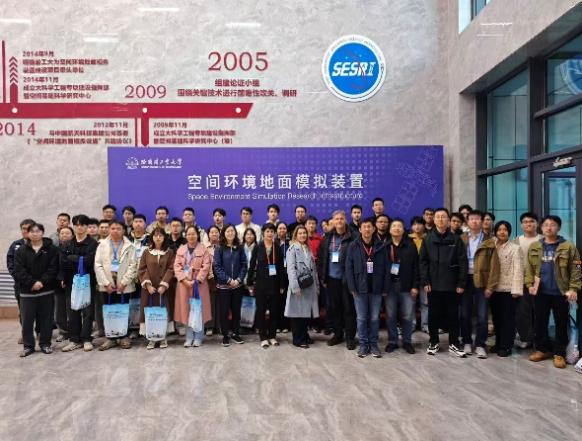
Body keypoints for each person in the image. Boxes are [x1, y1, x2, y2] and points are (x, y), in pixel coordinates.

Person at [526, 215, 581, 369]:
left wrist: (573, 288)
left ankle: (559, 353)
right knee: (540, 322)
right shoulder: (535, 246)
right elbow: (529, 267)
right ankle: (542, 349)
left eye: (553, 225)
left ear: (558, 227)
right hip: (540, 292)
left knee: (561, 323)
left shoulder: (568, 246)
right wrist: (529, 284)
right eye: (546, 225)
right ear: (541, 228)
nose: (549, 228)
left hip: (560, 292)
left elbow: (577, 267)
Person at [420, 208, 468, 357]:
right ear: (434, 220)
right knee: (433, 315)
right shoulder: (427, 239)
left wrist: (461, 283)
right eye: (438, 217)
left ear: (448, 221)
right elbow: (423, 262)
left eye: (443, 217)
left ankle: (454, 343)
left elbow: (463, 262)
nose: (441, 219)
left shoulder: (456, 239)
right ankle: (433, 342)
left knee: (453, 315)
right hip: (433, 285)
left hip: (452, 285)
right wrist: (425, 281)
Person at [346, 217, 391, 358]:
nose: (366, 229)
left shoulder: (381, 246)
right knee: (361, 318)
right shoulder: (353, 246)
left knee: (374, 318)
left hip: (377, 288)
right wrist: (352, 288)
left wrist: (385, 288)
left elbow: (387, 267)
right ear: (360, 229)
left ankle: (374, 344)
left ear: (373, 229)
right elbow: (349, 268)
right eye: (364, 226)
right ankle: (363, 345)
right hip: (360, 289)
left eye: (369, 227)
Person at [13, 222, 59, 357]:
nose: (35, 234)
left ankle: (45, 344)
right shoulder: (21, 250)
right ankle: (28, 346)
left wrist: (42, 282)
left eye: (38, 231)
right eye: (32, 231)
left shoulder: (51, 249)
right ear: (27, 234)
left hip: (46, 290)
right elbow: (19, 270)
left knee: (46, 319)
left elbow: (53, 268)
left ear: (42, 233)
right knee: (27, 320)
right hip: (27, 292)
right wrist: (32, 283)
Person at [460, 210, 500, 359]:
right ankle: (466, 342)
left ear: (482, 222)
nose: (475, 221)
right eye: (472, 219)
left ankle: (480, 344)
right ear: (467, 222)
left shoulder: (489, 241)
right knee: (465, 314)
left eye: (477, 219)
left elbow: (495, 265)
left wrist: (491, 286)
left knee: (482, 316)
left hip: (482, 281)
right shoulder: (462, 239)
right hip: (465, 280)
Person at [94, 220, 138, 351]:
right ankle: (111, 338)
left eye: (118, 228)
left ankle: (123, 336)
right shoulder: (102, 245)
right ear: (109, 230)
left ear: (124, 230)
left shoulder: (130, 246)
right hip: (107, 284)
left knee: (123, 310)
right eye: (113, 228)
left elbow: (133, 265)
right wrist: (106, 283)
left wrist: (124, 282)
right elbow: (98, 265)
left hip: (123, 284)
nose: (115, 231)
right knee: (109, 311)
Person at [59, 215, 99, 352]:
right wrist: (80, 259)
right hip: (71, 282)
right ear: (73, 226)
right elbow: (63, 262)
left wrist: (73, 258)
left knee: (88, 311)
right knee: (73, 311)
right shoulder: (67, 244)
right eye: (76, 225)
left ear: (87, 227)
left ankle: (86, 339)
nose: (79, 227)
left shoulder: (93, 244)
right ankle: (74, 339)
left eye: (82, 225)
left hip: (88, 281)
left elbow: (90, 261)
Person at [318, 210, 356, 350]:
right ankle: (338, 334)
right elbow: (322, 258)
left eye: (341, 218)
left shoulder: (353, 236)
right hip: (332, 279)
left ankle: (350, 337)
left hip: (347, 280)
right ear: (333, 221)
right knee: (335, 308)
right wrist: (323, 277)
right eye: (336, 219)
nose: (339, 221)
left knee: (349, 309)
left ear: (345, 220)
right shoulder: (327, 237)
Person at [248, 223, 285, 348]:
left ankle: (272, 336)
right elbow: (252, 265)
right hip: (261, 284)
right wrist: (249, 282)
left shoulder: (277, 247)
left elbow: (281, 268)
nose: (270, 234)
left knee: (274, 311)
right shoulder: (258, 247)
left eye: (272, 231)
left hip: (274, 284)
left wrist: (282, 285)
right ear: (263, 233)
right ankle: (263, 337)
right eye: (267, 231)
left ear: (274, 234)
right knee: (261, 311)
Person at [386, 219, 420, 354]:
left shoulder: (410, 246)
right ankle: (392, 341)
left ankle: (407, 341)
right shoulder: (385, 246)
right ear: (390, 230)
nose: (396, 228)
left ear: (403, 229)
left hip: (407, 285)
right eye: (394, 226)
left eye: (399, 226)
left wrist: (415, 286)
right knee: (391, 316)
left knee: (407, 316)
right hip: (389, 287)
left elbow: (416, 267)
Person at [174, 226, 212, 347]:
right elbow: (177, 267)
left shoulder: (204, 249)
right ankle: (189, 337)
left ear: (197, 235)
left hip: (199, 285)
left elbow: (206, 266)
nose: (191, 236)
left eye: (193, 234)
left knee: (198, 310)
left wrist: (197, 280)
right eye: (189, 234)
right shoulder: (181, 250)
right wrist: (184, 280)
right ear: (186, 236)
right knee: (187, 310)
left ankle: (199, 337)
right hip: (184, 285)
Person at [490, 221, 523, 357]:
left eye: (505, 230)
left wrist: (516, 290)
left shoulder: (515, 248)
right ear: (495, 232)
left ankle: (506, 346)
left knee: (507, 320)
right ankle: (498, 343)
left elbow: (518, 270)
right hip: (493, 289)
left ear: (509, 232)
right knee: (496, 319)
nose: (502, 232)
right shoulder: (492, 247)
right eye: (499, 230)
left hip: (509, 290)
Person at [138, 227, 175, 349]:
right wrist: (148, 285)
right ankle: (152, 338)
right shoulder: (146, 252)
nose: (158, 237)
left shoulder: (169, 252)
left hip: (164, 289)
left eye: (160, 235)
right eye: (155, 235)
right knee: (150, 313)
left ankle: (163, 337)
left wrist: (164, 284)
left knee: (163, 312)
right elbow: (142, 269)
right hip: (149, 290)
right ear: (152, 237)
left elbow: (171, 269)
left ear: (164, 237)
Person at [285, 225, 319, 348]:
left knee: (305, 313)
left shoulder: (308, 248)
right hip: (298, 286)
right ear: (296, 235)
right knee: (297, 314)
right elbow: (291, 270)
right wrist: (295, 288)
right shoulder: (292, 249)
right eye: (300, 233)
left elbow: (313, 269)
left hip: (309, 285)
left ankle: (304, 335)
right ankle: (298, 339)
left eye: (304, 233)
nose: (303, 235)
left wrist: (317, 286)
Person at [213, 224, 247, 346]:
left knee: (236, 310)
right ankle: (225, 335)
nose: (230, 233)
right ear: (224, 233)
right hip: (224, 287)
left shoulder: (240, 248)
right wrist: (228, 280)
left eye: (232, 231)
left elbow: (244, 265)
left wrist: (238, 279)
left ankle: (236, 333)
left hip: (237, 286)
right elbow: (217, 267)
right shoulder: (219, 248)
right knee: (224, 311)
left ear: (235, 233)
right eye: (228, 231)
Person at [513, 212, 542, 349]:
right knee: (522, 312)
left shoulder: (543, 239)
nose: (528, 224)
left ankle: (539, 339)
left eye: (531, 221)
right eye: (525, 222)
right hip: (521, 280)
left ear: (537, 223)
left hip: (540, 281)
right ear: (521, 225)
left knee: (539, 311)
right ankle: (526, 338)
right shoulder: (517, 240)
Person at [6, 218, 35, 339]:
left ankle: (40, 333)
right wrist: (19, 278)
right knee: (24, 311)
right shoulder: (15, 245)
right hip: (21, 285)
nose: (26, 231)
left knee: (40, 310)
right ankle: (26, 334)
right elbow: (10, 264)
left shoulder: (41, 245)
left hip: (38, 284)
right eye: (24, 228)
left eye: (29, 228)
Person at [54, 226, 74, 343]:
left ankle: (74, 331)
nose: (64, 235)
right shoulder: (54, 249)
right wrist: (59, 278)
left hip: (71, 282)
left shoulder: (75, 248)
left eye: (67, 233)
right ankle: (63, 332)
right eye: (62, 233)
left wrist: (64, 277)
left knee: (72, 308)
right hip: (57, 283)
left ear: (72, 235)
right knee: (59, 309)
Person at [409, 216, 428, 333]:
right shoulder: (407, 239)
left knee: (425, 302)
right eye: (414, 224)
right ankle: (411, 325)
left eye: (419, 224)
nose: (417, 226)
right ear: (411, 226)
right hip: (411, 276)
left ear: (424, 226)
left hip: (425, 275)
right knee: (410, 303)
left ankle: (425, 325)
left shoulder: (428, 238)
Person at [205, 225, 221, 336]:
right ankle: (209, 326)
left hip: (221, 278)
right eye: (212, 232)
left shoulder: (223, 246)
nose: (214, 234)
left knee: (221, 303)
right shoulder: (204, 247)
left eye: (216, 232)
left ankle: (219, 326)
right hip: (208, 278)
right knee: (209, 303)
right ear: (208, 234)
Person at [276, 222, 291, 333]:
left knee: (286, 301)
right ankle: (277, 325)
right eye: (280, 228)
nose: (282, 230)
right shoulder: (273, 242)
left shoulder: (290, 243)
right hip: (276, 276)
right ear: (277, 230)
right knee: (277, 302)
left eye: (284, 228)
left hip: (288, 276)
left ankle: (286, 325)